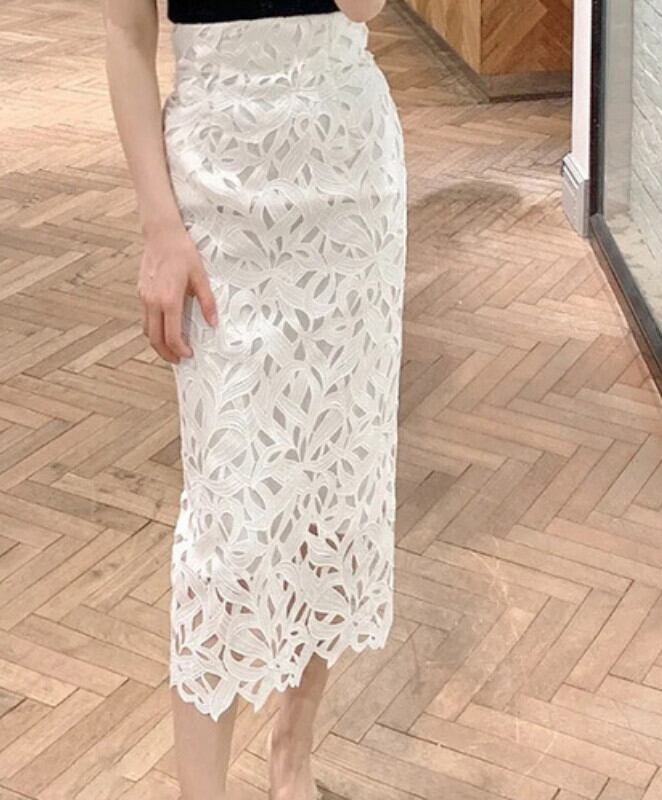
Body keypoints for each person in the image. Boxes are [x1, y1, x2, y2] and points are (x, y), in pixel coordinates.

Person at [102, 0, 407, 797]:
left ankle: (292, 755)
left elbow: (366, 5)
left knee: (333, 488)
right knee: (228, 521)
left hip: (348, 181)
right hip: (214, 188)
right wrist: (159, 228)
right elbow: (125, 32)